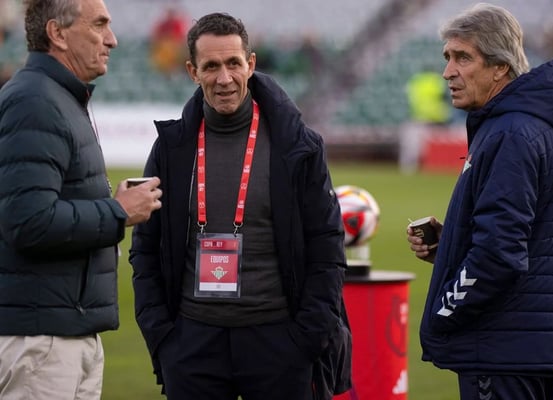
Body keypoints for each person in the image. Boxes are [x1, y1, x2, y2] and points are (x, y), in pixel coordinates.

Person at [129, 12, 351, 400]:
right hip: (192, 345)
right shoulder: (171, 148)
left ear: (251, 63)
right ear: (192, 72)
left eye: (233, 63)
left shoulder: (297, 145)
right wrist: (162, 336)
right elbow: (145, 247)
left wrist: (307, 337)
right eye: (210, 67)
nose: (224, 78)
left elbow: (327, 244)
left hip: (280, 342)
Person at [0, 1, 162, 399]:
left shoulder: (56, 96)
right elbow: (28, 222)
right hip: (41, 340)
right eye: (99, 25)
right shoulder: (35, 101)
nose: (113, 39)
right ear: (57, 33)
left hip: (62, 331)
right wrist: (118, 212)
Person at [406, 3, 553, 399]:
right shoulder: (530, 124)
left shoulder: (511, 133)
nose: (448, 72)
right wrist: (450, 246)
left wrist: (445, 310)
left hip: (502, 348)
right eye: (447, 57)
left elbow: (499, 254)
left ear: (500, 66)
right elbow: (537, 235)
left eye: (463, 58)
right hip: (527, 342)